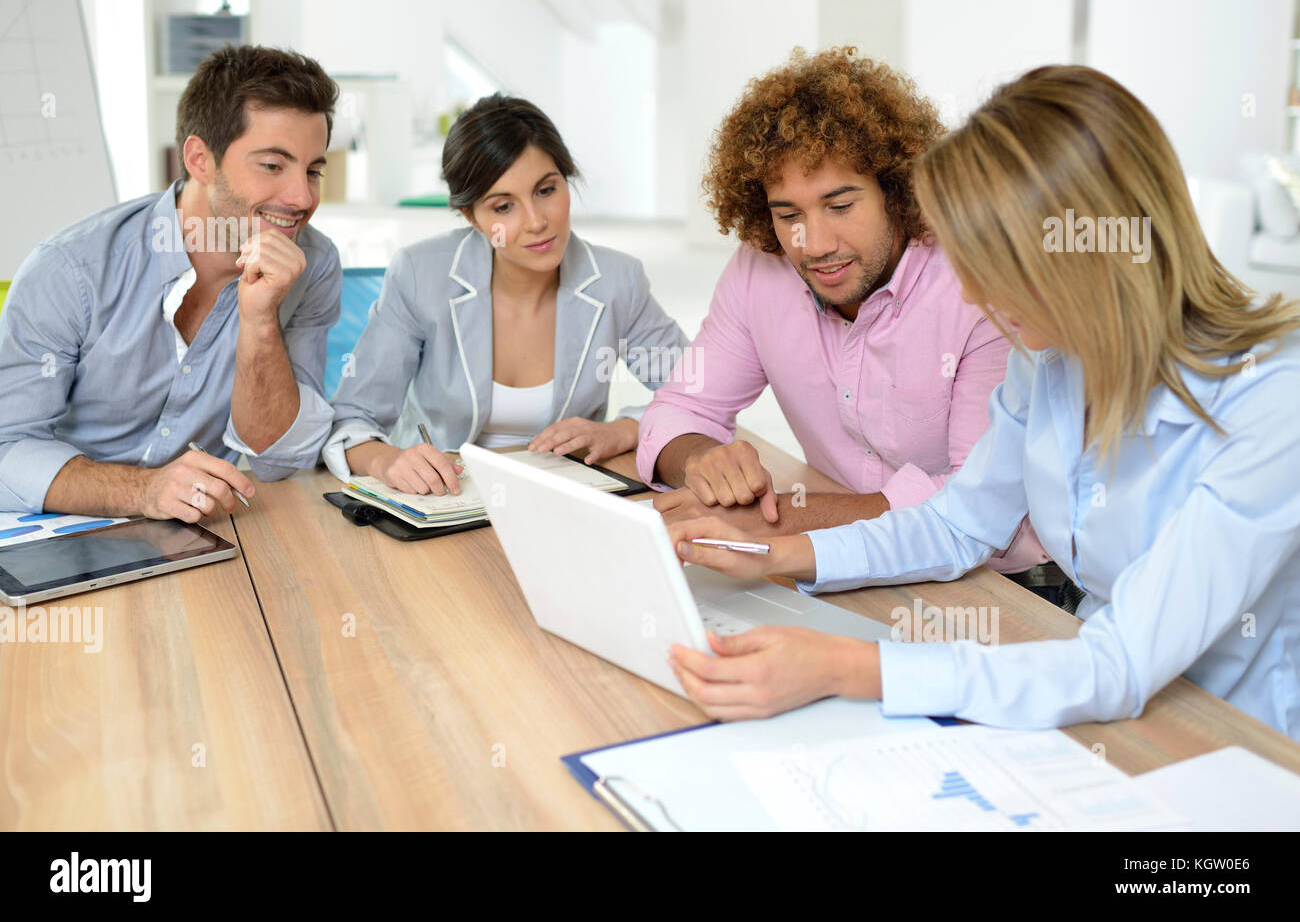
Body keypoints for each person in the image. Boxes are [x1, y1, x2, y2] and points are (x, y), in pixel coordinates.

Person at [664, 64, 1300, 741]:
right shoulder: (1051, 356)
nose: (971, 298)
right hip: (1087, 707)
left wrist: (853, 667)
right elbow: (960, 523)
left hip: (1234, 743)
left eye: (996, 265)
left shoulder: (1271, 404)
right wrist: (773, 553)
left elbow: (1120, 661)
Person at [639, 46, 1045, 577]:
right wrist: (700, 460)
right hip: (837, 562)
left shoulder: (974, 283)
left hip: (1001, 587)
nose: (814, 243)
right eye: (788, 215)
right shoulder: (759, 270)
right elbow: (680, 409)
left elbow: (978, 508)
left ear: (895, 190)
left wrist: (783, 520)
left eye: (840, 206)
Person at [0, 45, 342, 521]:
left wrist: (260, 319)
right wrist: (142, 492)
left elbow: (278, 457)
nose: (301, 197)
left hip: (203, 532)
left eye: (313, 170)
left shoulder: (314, 265)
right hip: (62, 531)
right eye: (272, 166)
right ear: (200, 159)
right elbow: (5, 450)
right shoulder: (71, 270)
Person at [324, 94, 689, 494]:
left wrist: (624, 429)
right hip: (445, 500)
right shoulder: (420, 275)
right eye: (503, 207)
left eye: (546, 190)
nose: (536, 222)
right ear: (472, 217)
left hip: (563, 498)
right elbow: (353, 416)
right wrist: (387, 458)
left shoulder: (619, 279)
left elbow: (699, 386)